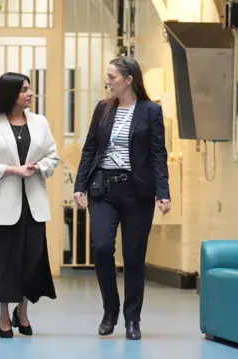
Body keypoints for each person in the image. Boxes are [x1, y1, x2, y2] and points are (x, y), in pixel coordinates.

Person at [73, 56, 171, 340]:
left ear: (129, 80)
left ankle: (132, 319)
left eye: (112, 77)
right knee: (102, 248)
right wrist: (80, 185)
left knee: (134, 257)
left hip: (137, 192)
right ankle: (110, 310)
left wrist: (163, 192)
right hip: (103, 190)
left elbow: (157, 154)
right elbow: (89, 148)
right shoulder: (103, 108)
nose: (108, 81)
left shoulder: (151, 111)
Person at [0, 72, 60, 339]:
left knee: (29, 261)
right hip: (0, 209)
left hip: (32, 207)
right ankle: (3, 317)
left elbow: (52, 157)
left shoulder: (40, 122)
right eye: (24, 90)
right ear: (10, 94)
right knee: (4, 263)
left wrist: (38, 167)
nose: (30, 93)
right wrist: (13, 170)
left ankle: (22, 312)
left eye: (30, 89)